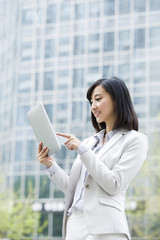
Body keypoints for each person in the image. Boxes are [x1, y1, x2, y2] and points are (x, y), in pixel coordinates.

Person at [37, 77, 148, 240]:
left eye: (98, 99)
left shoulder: (135, 140)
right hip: (74, 225)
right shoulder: (90, 142)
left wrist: (82, 150)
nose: (93, 106)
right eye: (91, 102)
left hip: (106, 228)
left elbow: (114, 184)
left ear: (117, 99)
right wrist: (51, 166)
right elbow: (74, 190)